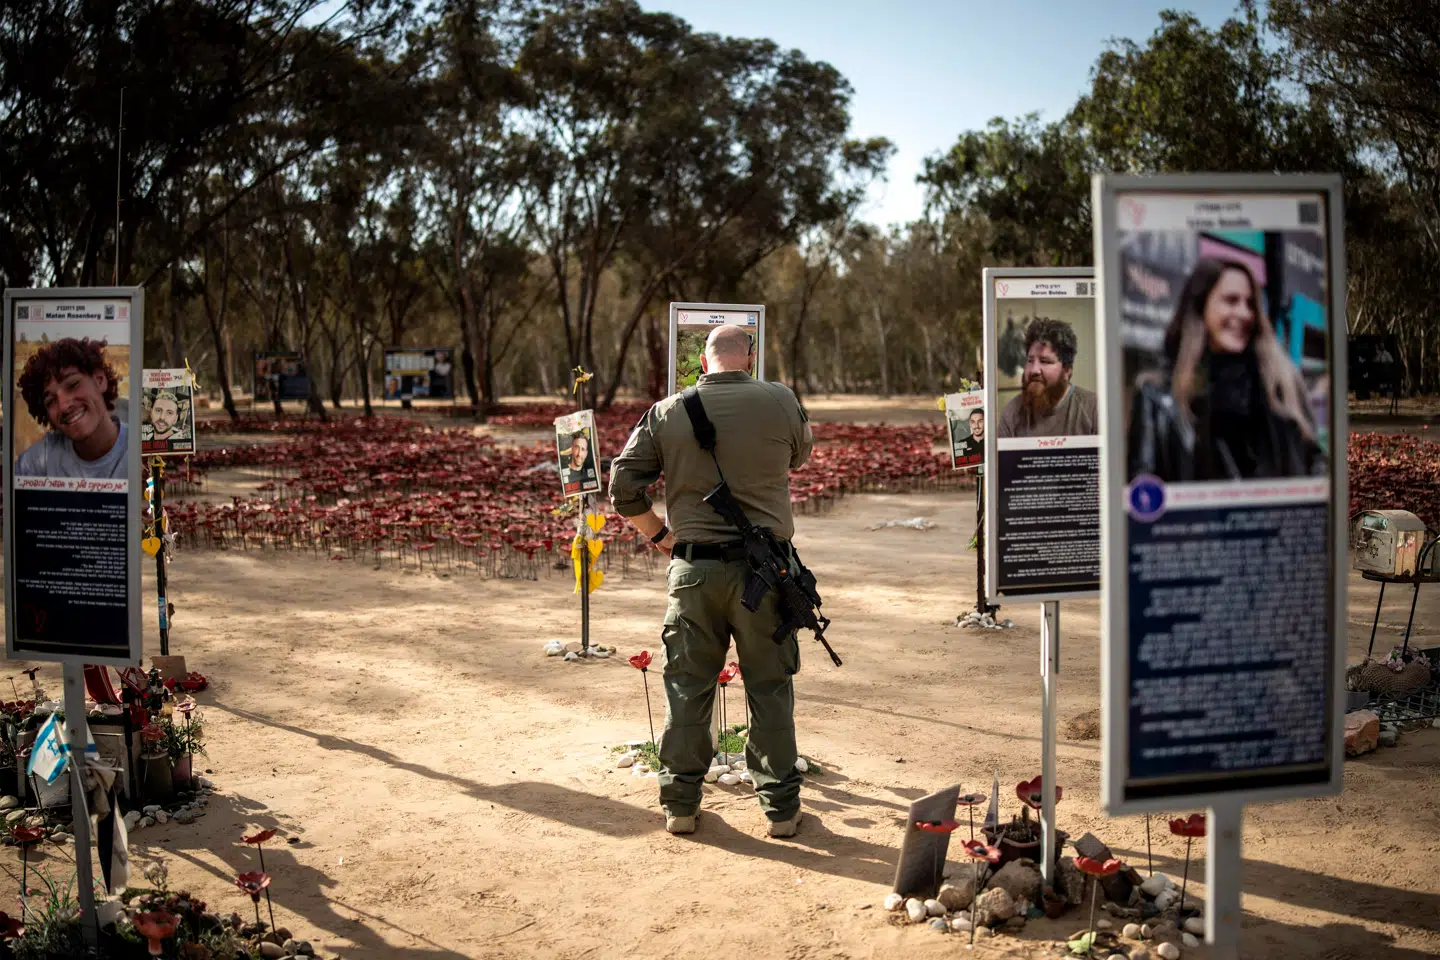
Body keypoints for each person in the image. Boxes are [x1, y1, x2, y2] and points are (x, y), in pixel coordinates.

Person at [609, 324, 813, 839]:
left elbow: (622, 486)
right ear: (751, 357)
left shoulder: (667, 411)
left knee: (686, 686)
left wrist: (659, 534)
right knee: (769, 689)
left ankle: (680, 804)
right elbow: (798, 456)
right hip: (767, 574)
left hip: (694, 572)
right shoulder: (781, 400)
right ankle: (781, 813)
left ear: (704, 361)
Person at [1128, 257, 1324, 482]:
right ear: (1201, 306)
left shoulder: (1281, 382)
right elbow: (1142, 489)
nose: (1244, 313)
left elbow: (1315, 461)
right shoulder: (1156, 396)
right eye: (1231, 301)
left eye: (1250, 304)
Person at [15, 337, 128, 478]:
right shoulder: (39, 460)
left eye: (73, 385)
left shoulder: (138, 452)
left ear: (100, 380)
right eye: (50, 401)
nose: (63, 406)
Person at [997, 318, 1099, 438]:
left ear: (1067, 371)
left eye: (1045, 361)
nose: (1034, 370)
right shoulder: (1011, 413)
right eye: (1030, 360)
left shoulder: (1094, 409)